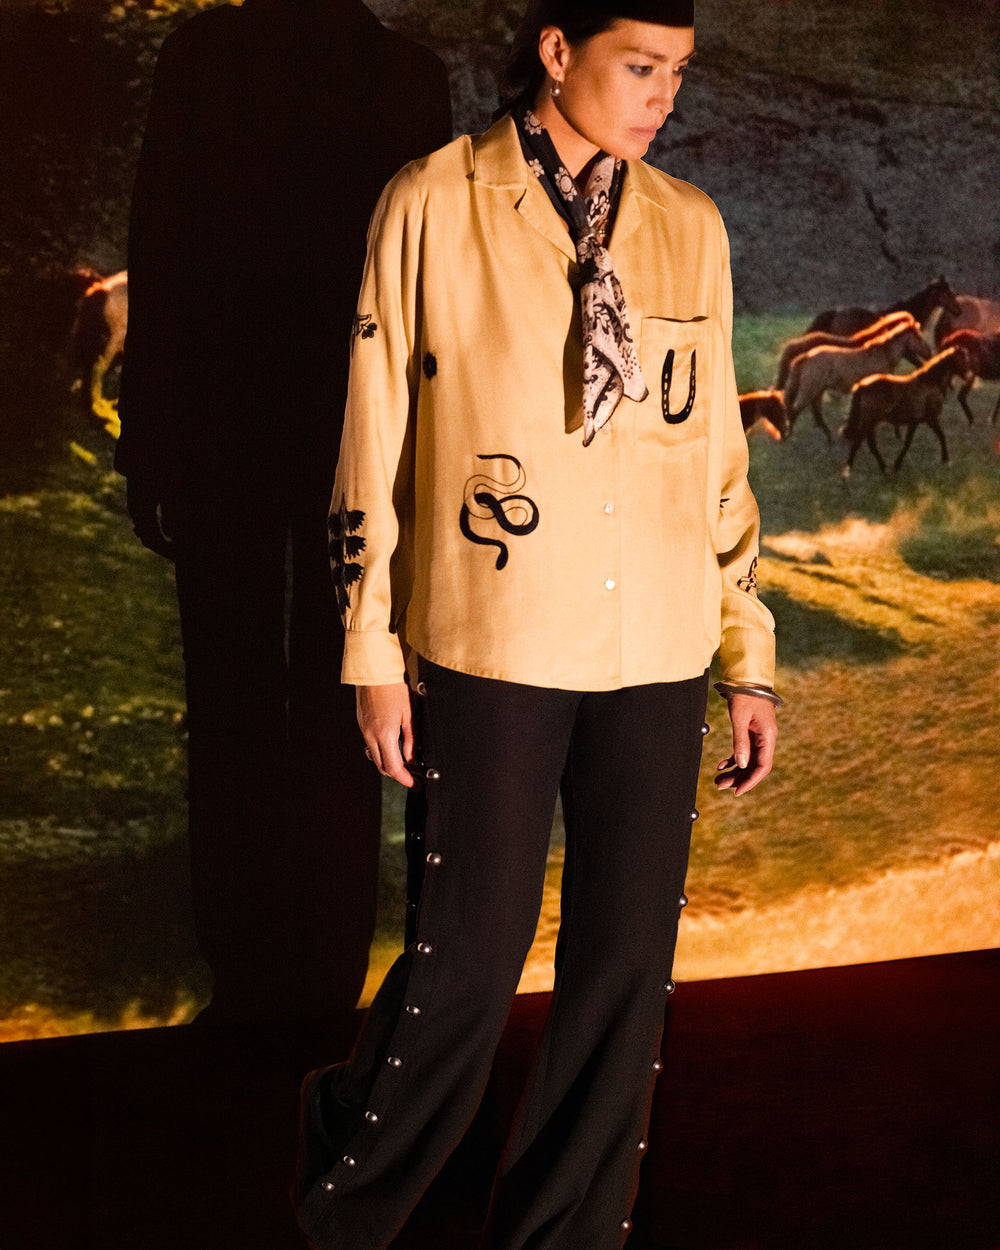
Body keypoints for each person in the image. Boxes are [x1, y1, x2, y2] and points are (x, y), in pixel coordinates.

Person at [296, 0, 778, 1244]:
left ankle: (564, 1230)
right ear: (557, 53)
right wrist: (371, 652)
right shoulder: (433, 202)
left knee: (623, 972)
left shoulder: (689, 226)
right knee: (466, 961)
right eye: (637, 65)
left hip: (657, 649)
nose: (661, 94)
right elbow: (373, 434)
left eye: (677, 71)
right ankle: (349, 1204)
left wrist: (747, 654)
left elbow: (713, 455)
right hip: (492, 640)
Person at [116, 0, 452, 1023]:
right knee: (346, 685)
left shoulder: (205, 56)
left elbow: (160, 242)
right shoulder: (404, 75)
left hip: (225, 429)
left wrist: (149, 436)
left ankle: (250, 964)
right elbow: (428, 280)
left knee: (232, 698)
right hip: (353, 426)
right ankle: (321, 966)